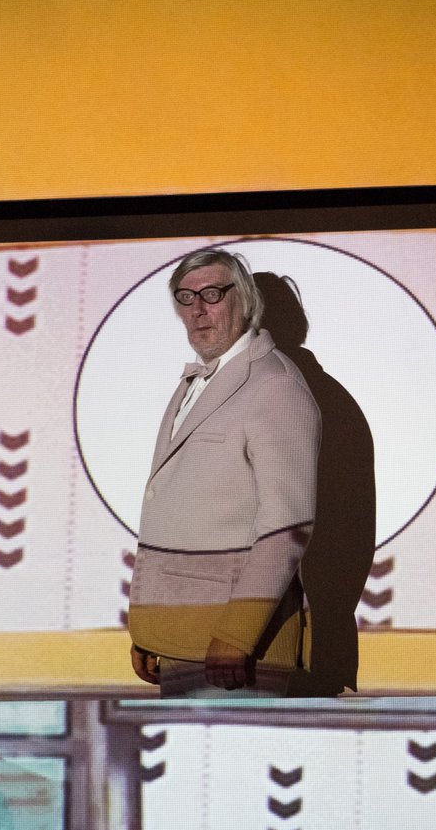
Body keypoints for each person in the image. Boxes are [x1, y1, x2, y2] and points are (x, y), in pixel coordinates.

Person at [126, 248, 322, 696]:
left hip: (235, 647)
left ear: (245, 299)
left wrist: (238, 634)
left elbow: (287, 527)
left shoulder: (275, 385)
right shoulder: (197, 382)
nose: (197, 308)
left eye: (212, 293)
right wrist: (150, 627)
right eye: (185, 297)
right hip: (179, 635)